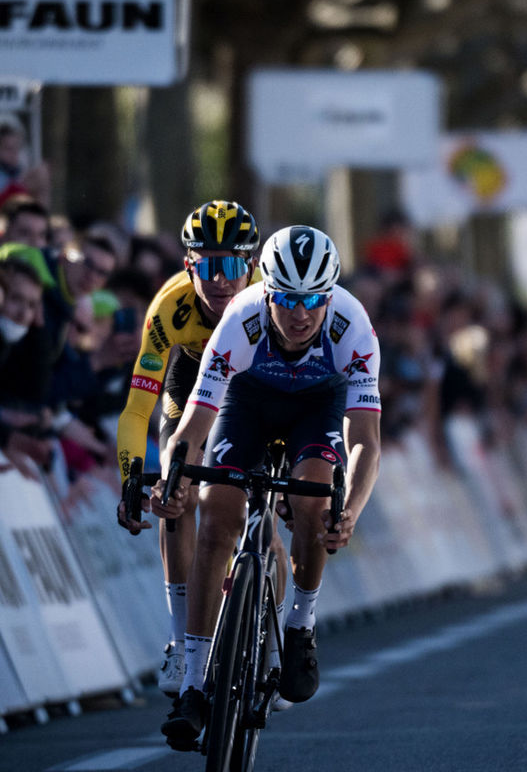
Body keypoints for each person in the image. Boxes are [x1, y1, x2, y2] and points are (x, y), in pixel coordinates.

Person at [158, 226, 382, 750]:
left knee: (313, 499)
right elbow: (192, 423)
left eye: (312, 301)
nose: (299, 314)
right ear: (266, 290)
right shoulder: (241, 318)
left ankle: (299, 626)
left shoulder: (353, 325)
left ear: (329, 297)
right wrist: (175, 477)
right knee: (215, 517)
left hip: (317, 406)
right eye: (286, 299)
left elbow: (367, 441)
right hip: (249, 403)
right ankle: (192, 683)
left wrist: (348, 511)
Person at [113, 200, 280, 697]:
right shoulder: (170, 308)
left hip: (256, 388)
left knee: (263, 518)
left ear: (251, 267)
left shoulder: (269, 300)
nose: (221, 279)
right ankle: (180, 641)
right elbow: (137, 410)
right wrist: (129, 477)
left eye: (233, 265)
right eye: (208, 265)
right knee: (174, 490)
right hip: (190, 386)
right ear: (190, 265)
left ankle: (272, 652)